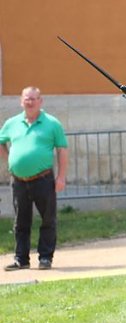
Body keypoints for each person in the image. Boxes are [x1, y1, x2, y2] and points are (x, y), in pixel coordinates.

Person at [1, 86, 69, 271]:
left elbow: (62, 150)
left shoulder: (52, 123)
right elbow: (1, 140)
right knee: (21, 221)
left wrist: (61, 177)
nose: (29, 102)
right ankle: (21, 259)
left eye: (33, 98)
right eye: (26, 98)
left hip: (43, 179)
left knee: (48, 219)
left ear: (41, 101)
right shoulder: (12, 123)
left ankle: (45, 258)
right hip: (19, 181)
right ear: (20, 101)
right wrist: (11, 159)